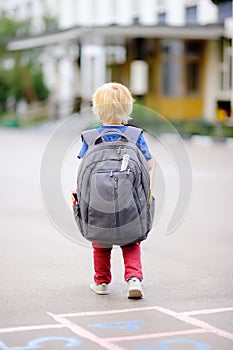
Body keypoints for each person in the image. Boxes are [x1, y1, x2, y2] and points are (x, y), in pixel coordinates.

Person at [77, 82, 153, 299]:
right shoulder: (135, 135)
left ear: (97, 110)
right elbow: (147, 165)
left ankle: (101, 282)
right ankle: (134, 280)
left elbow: (82, 169)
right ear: (128, 109)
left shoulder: (90, 138)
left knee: (100, 243)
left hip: (98, 203)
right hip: (130, 200)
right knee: (131, 241)